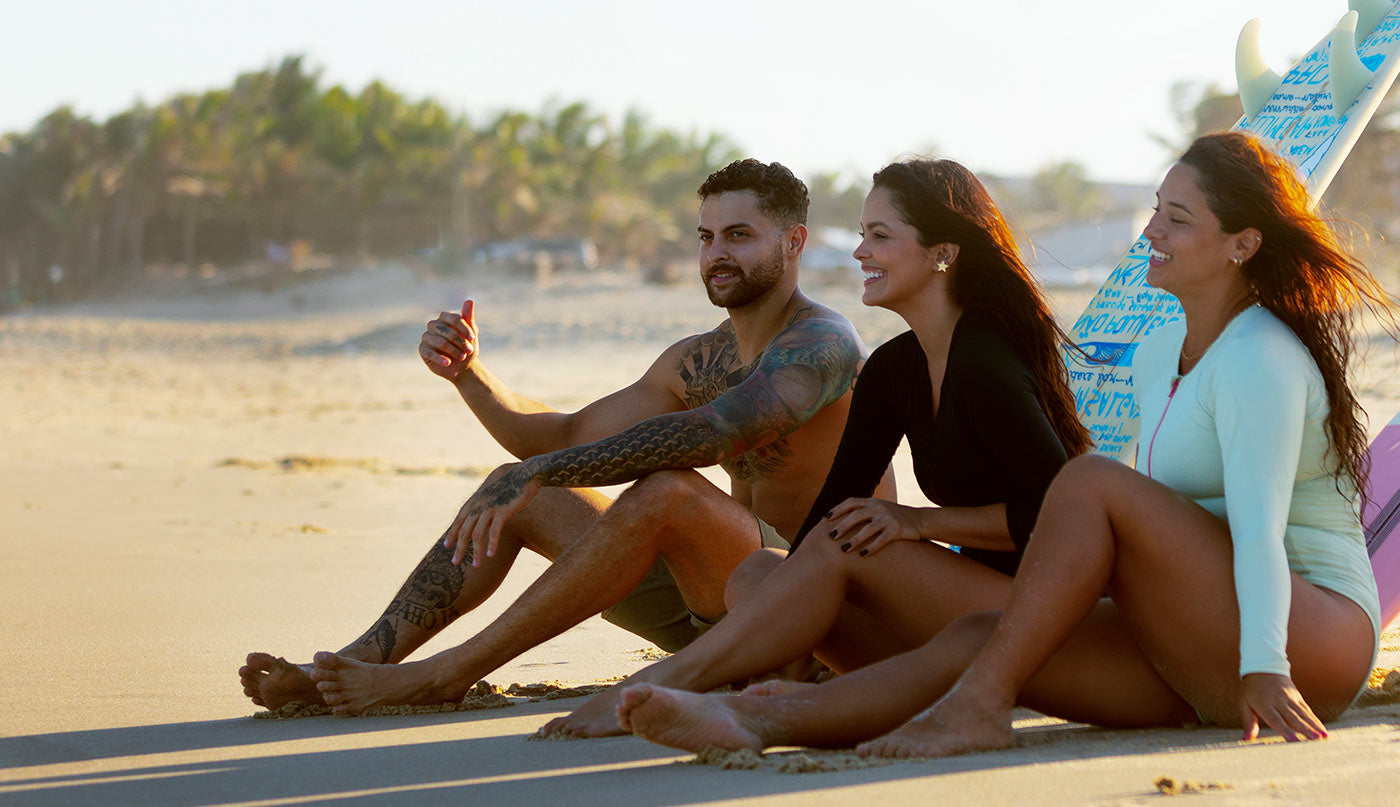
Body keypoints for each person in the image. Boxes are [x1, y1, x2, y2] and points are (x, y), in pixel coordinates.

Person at [614, 131, 1393, 757]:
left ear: (1242, 244)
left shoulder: (1262, 356)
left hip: (1302, 639)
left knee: (1089, 482)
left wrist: (1264, 665)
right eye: (1156, 209)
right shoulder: (1163, 352)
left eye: (1176, 219)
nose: (1150, 230)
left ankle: (979, 707)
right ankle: (764, 720)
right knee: (981, 634)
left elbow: (1255, 529)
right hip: (1189, 636)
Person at [238, 159, 895, 714]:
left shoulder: (821, 342)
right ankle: (348, 665)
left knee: (669, 489)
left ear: (794, 241)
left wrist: (545, 469)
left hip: (816, 603)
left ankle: (445, 673)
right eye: (705, 235)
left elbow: (717, 434)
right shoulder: (693, 360)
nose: (717, 253)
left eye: (739, 235)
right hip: (714, 605)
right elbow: (565, 434)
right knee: (532, 498)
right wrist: (471, 376)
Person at [539, 156, 1092, 738]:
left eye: (879, 236)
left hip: (1038, 618)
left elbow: (1062, 520)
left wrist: (918, 523)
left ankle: (680, 683)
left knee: (844, 542)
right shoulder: (893, 369)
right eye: (861, 235)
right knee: (760, 572)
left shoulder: (985, 359)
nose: (859, 252)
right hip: (948, 612)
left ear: (942, 253)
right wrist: (782, 605)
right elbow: (831, 513)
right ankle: (768, 687)